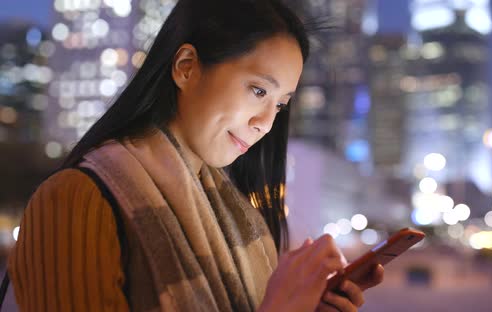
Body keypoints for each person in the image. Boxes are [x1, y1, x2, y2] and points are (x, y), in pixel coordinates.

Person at [7, 0, 384, 311]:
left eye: (280, 105)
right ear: (186, 67)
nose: (266, 123)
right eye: (257, 91)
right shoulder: (76, 201)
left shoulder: (241, 219)